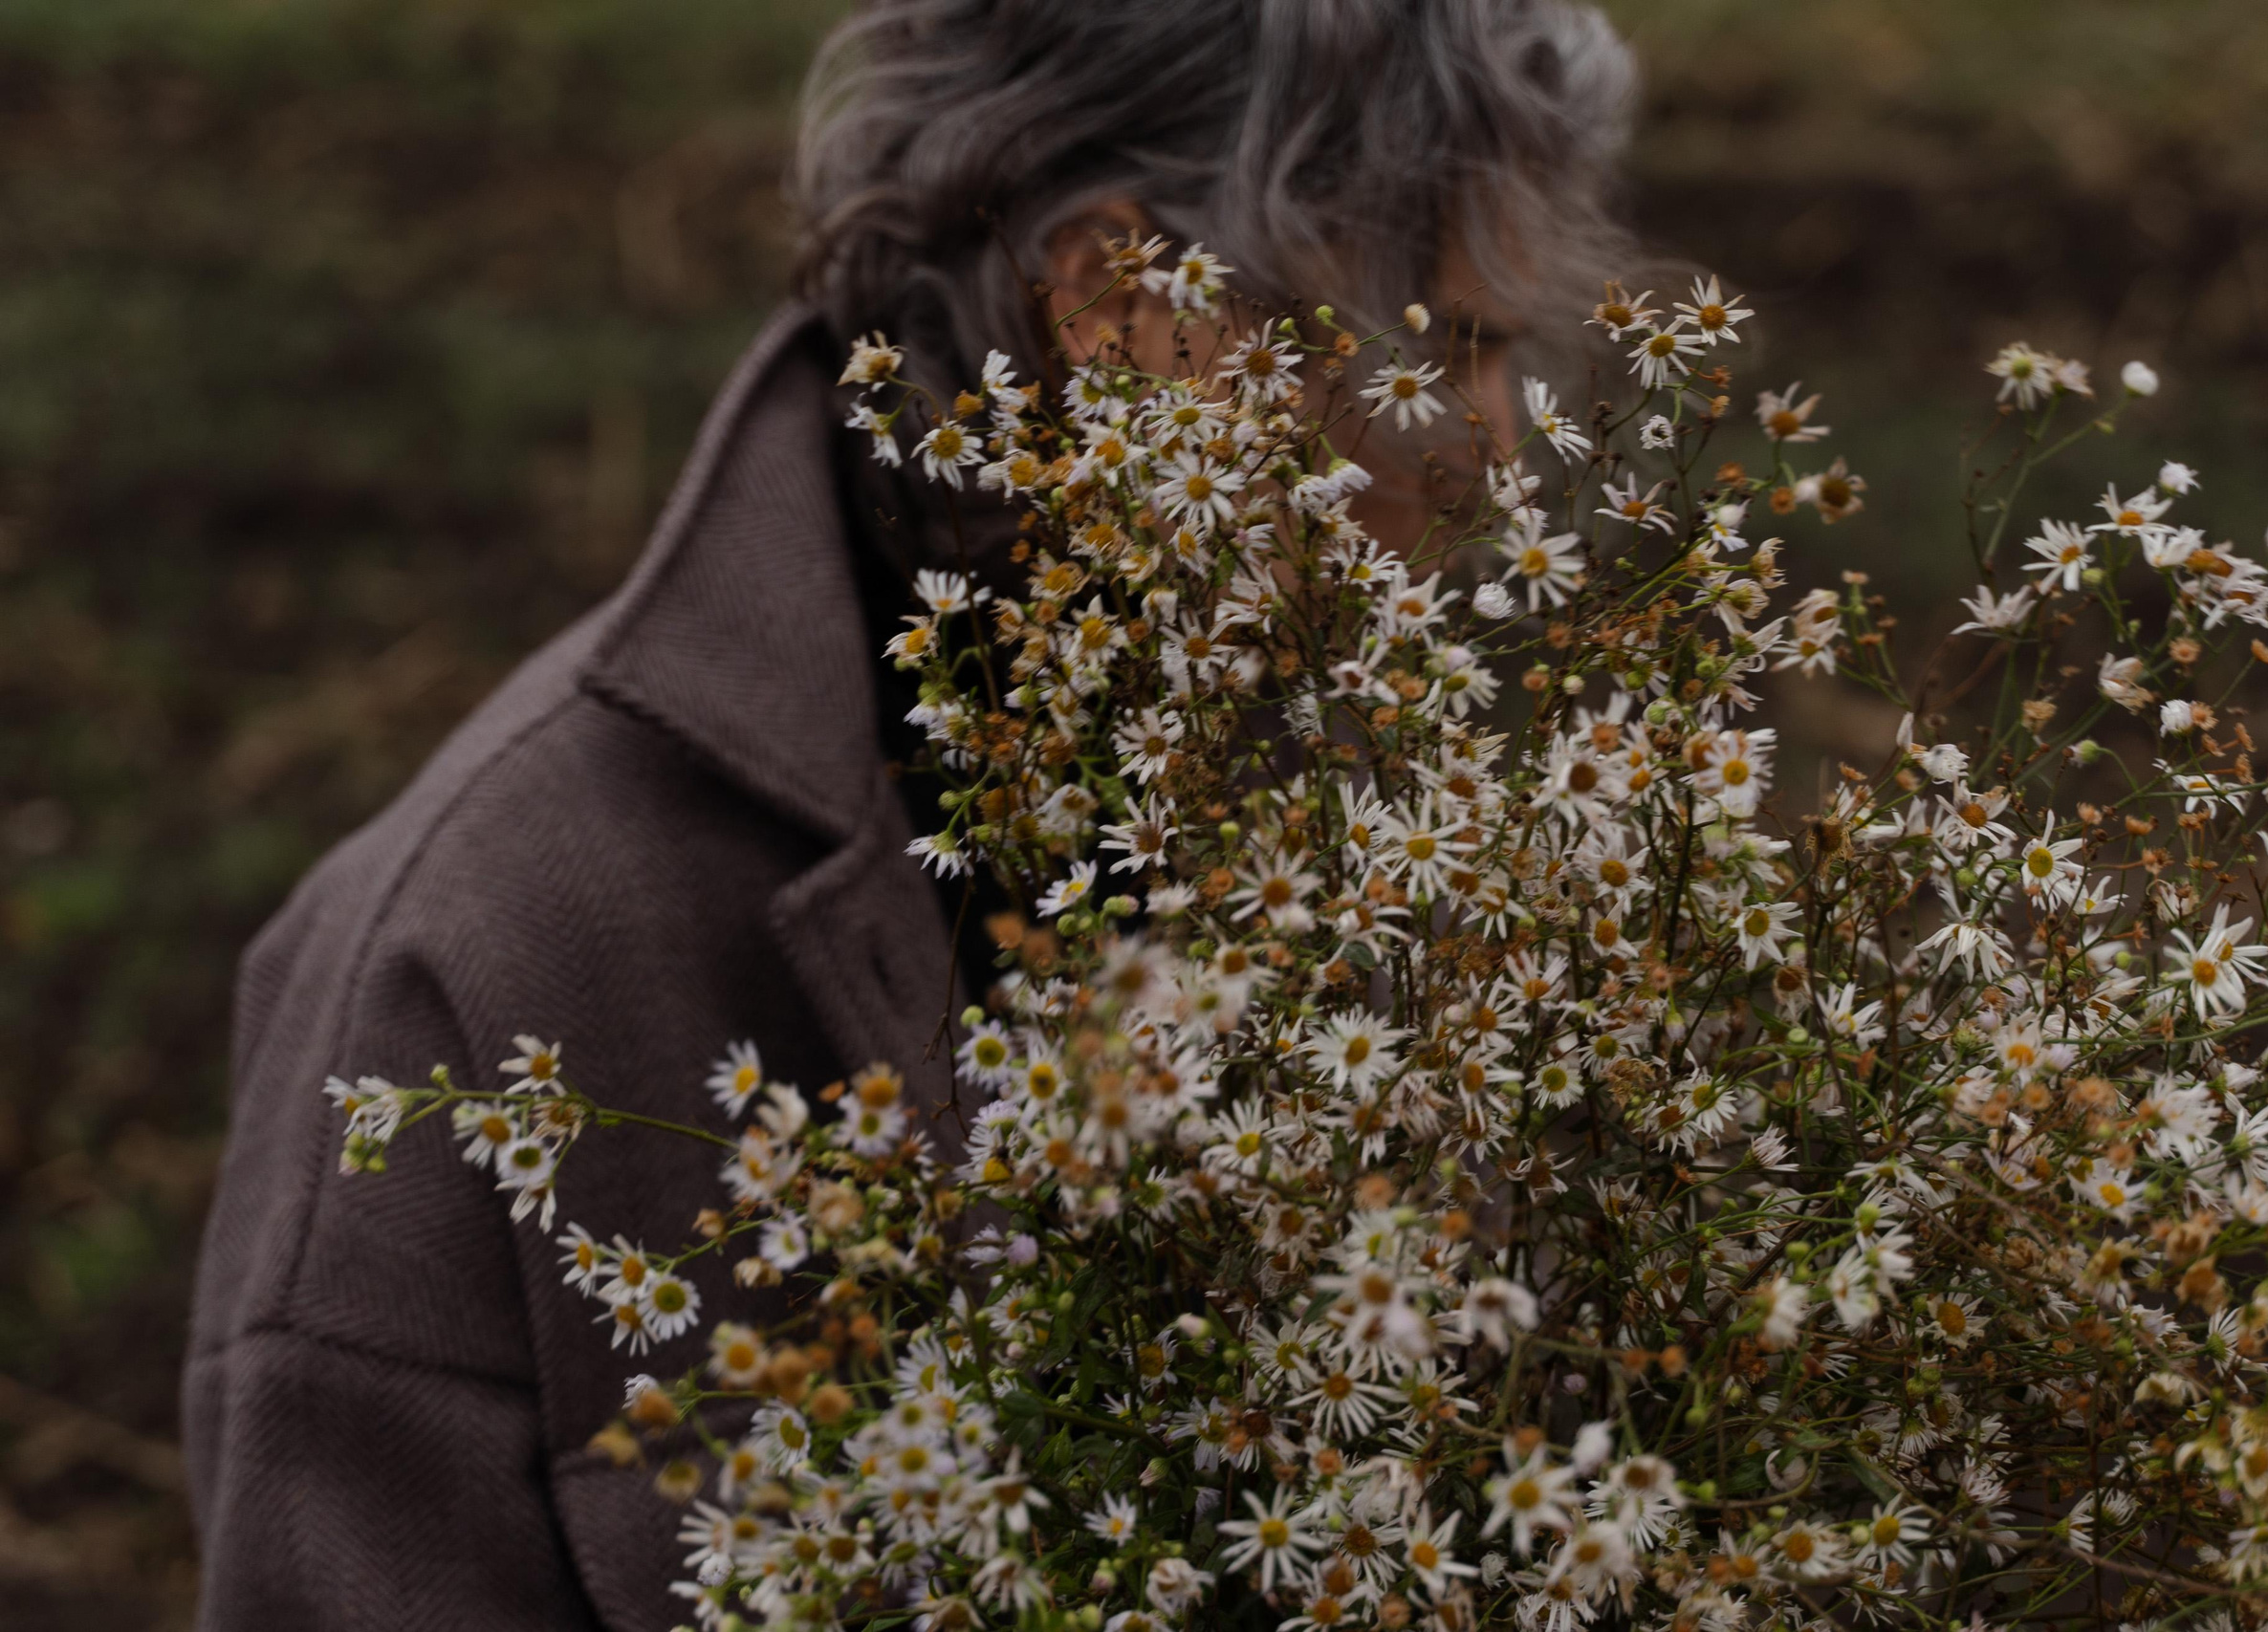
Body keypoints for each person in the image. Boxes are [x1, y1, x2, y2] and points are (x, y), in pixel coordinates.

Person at [182, 2, 1641, 1624]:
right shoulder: (475, 963)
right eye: (1447, 346)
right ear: (1125, 304)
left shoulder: (1389, 871)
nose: (1502, 453)